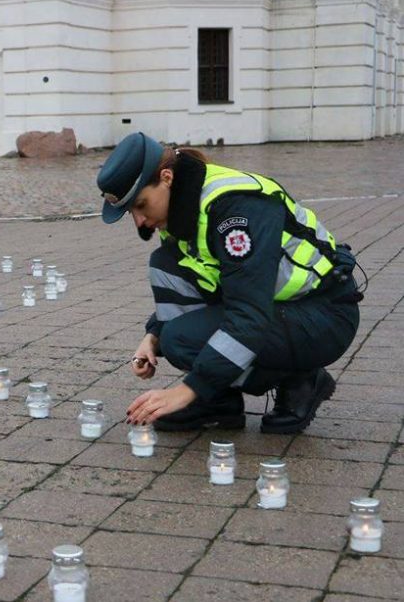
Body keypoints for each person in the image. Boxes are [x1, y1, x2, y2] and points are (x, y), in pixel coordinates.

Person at [96, 132, 362, 434]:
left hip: (324, 315)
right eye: (132, 212)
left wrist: (187, 390)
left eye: (142, 205)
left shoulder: (236, 210)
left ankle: (300, 380)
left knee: (181, 339)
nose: (140, 222)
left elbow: (248, 317)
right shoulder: (180, 206)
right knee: (166, 270)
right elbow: (205, 276)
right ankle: (218, 403)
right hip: (274, 308)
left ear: (167, 177)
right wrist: (153, 335)